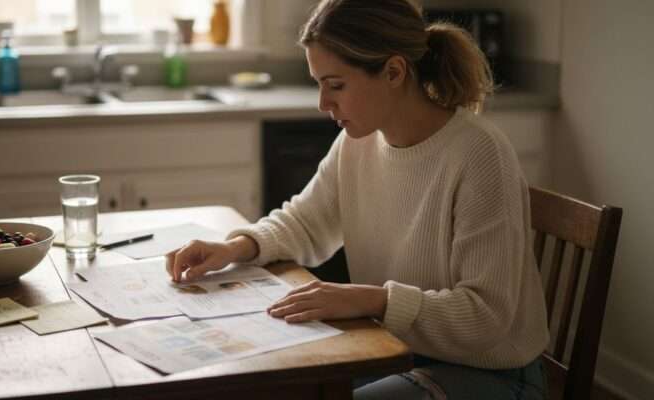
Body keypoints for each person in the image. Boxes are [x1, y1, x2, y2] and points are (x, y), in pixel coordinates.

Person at [165, 0, 549, 398]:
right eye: (319, 84)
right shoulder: (357, 143)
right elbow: (304, 223)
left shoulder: (478, 154)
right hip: (393, 352)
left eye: (336, 85)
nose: (323, 104)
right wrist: (233, 248)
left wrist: (372, 300)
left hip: (490, 376)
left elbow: (485, 317)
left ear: (394, 72)